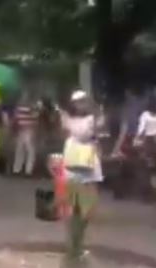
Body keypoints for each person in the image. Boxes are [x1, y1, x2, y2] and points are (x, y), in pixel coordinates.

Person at [59, 90, 103, 265]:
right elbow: (91, 132)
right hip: (87, 172)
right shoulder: (91, 120)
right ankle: (75, 248)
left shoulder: (67, 119)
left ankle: (73, 247)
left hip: (70, 170)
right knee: (85, 212)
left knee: (74, 212)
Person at [12, 94, 38, 176]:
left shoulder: (19, 107)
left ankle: (17, 169)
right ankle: (27, 170)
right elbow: (35, 118)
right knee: (29, 150)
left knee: (20, 150)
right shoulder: (32, 106)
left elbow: (15, 118)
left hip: (22, 130)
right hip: (28, 130)